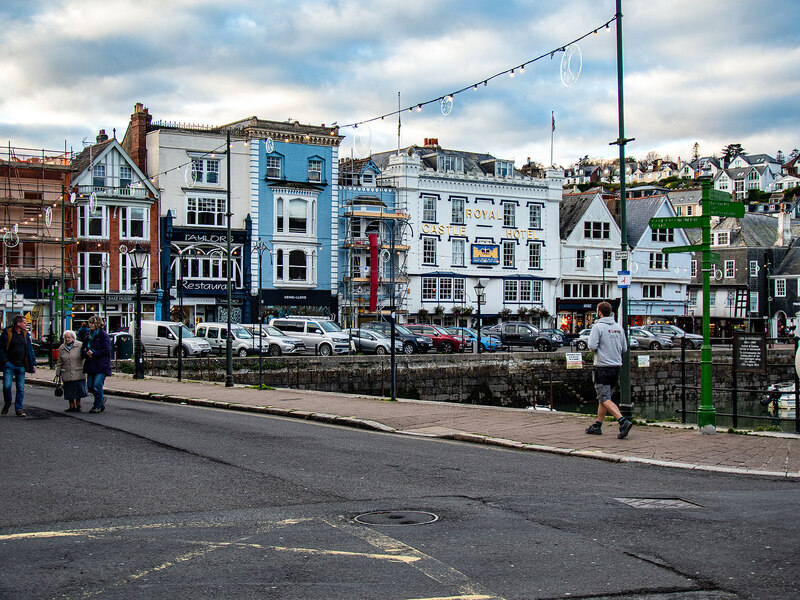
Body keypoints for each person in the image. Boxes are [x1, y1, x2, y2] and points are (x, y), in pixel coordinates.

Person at [585, 301, 633, 439]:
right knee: (605, 398)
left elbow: (592, 346)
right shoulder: (619, 327)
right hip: (616, 366)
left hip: (602, 366)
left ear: (599, 312)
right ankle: (597, 425)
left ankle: (622, 421)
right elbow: (624, 348)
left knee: (604, 397)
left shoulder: (598, 327)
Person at [0, 315, 37, 417]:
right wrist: (5, 361)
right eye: (24, 323)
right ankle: (7, 403)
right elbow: (1, 348)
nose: (26, 325)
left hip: (21, 365)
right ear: (18, 324)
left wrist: (33, 363)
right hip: (9, 365)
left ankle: (19, 409)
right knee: (7, 387)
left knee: (20, 388)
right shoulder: (7, 333)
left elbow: (30, 350)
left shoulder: (26, 335)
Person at [81, 315, 112, 414]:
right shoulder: (87, 335)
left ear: (97, 324)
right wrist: (86, 354)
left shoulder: (103, 335)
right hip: (91, 364)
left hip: (101, 365)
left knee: (97, 385)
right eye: (90, 323)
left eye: (92, 323)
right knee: (90, 386)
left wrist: (94, 353)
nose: (90, 325)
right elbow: (83, 350)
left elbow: (107, 350)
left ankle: (97, 406)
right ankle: (101, 398)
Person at [56, 330, 87, 412]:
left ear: (73, 338)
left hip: (78, 372)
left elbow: (84, 356)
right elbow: (59, 362)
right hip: (66, 372)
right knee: (69, 390)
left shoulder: (80, 345)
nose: (67, 339)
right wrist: (58, 372)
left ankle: (78, 405)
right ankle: (71, 406)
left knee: (78, 390)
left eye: (69, 337)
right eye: (65, 337)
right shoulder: (61, 348)